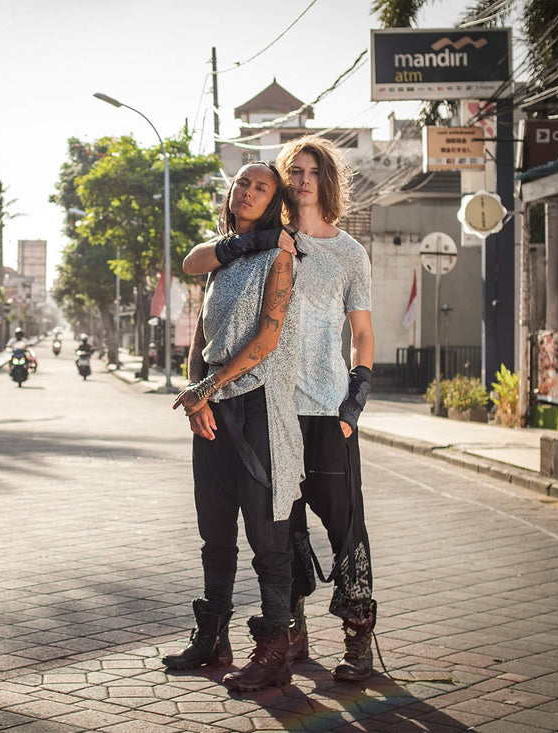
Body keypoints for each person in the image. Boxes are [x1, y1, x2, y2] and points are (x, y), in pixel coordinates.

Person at [181, 136, 377, 682]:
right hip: (272, 406)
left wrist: (352, 402)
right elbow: (213, 301)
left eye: (315, 170)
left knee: (344, 527)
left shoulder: (347, 253)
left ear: (327, 181)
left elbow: (362, 334)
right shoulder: (265, 246)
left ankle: (359, 637)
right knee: (280, 529)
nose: (304, 179)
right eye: (295, 170)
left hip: (326, 408)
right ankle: (289, 635)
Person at [162, 162, 305, 692]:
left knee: (268, 535)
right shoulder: (223, 259)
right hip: (215, 407)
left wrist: (210, 388)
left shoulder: (280, 255)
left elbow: (267, 340)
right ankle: (213, 637)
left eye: (261, 187)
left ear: (273, 201)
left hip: (258, 408)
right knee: (214, 531)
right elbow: (204, 336)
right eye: (242, 183)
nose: (247, 191)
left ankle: (274, 653)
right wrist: (198, 392)